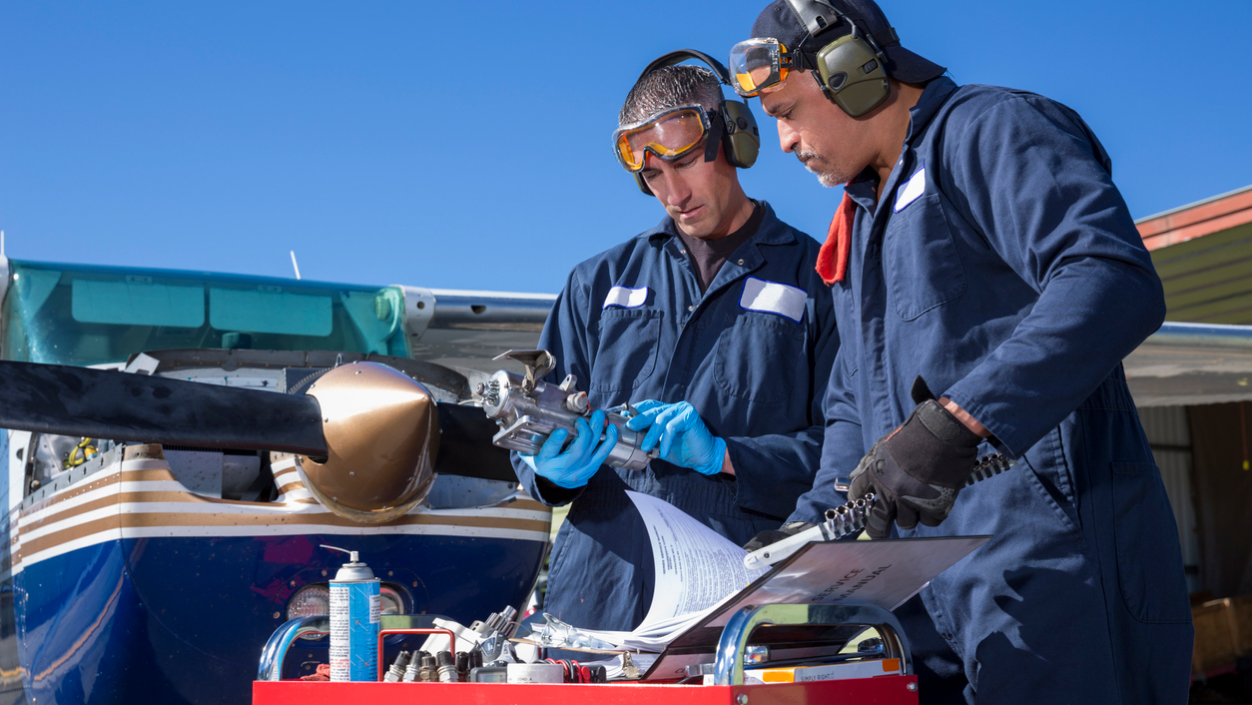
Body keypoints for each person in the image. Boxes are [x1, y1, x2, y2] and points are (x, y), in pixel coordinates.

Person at [730, 1, 1193, 702]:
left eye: (787, 110)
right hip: (939, 608)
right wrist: (809, 527)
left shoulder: (989, 131)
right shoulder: (856, 226)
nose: (786, 141)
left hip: (1061, 579)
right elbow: (854, 403)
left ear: (850, 73)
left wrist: (961, 417)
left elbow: (1110, 277)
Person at [511, 52, 840, 640]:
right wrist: (549, 468)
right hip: (600, 600)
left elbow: (847, 450)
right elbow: (530, 430)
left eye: (685, 162)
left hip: (741, 601)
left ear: (734, 137)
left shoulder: (816, 281)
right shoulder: (598, 284)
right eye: (653, 177)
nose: (674, 192)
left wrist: (726, 455)